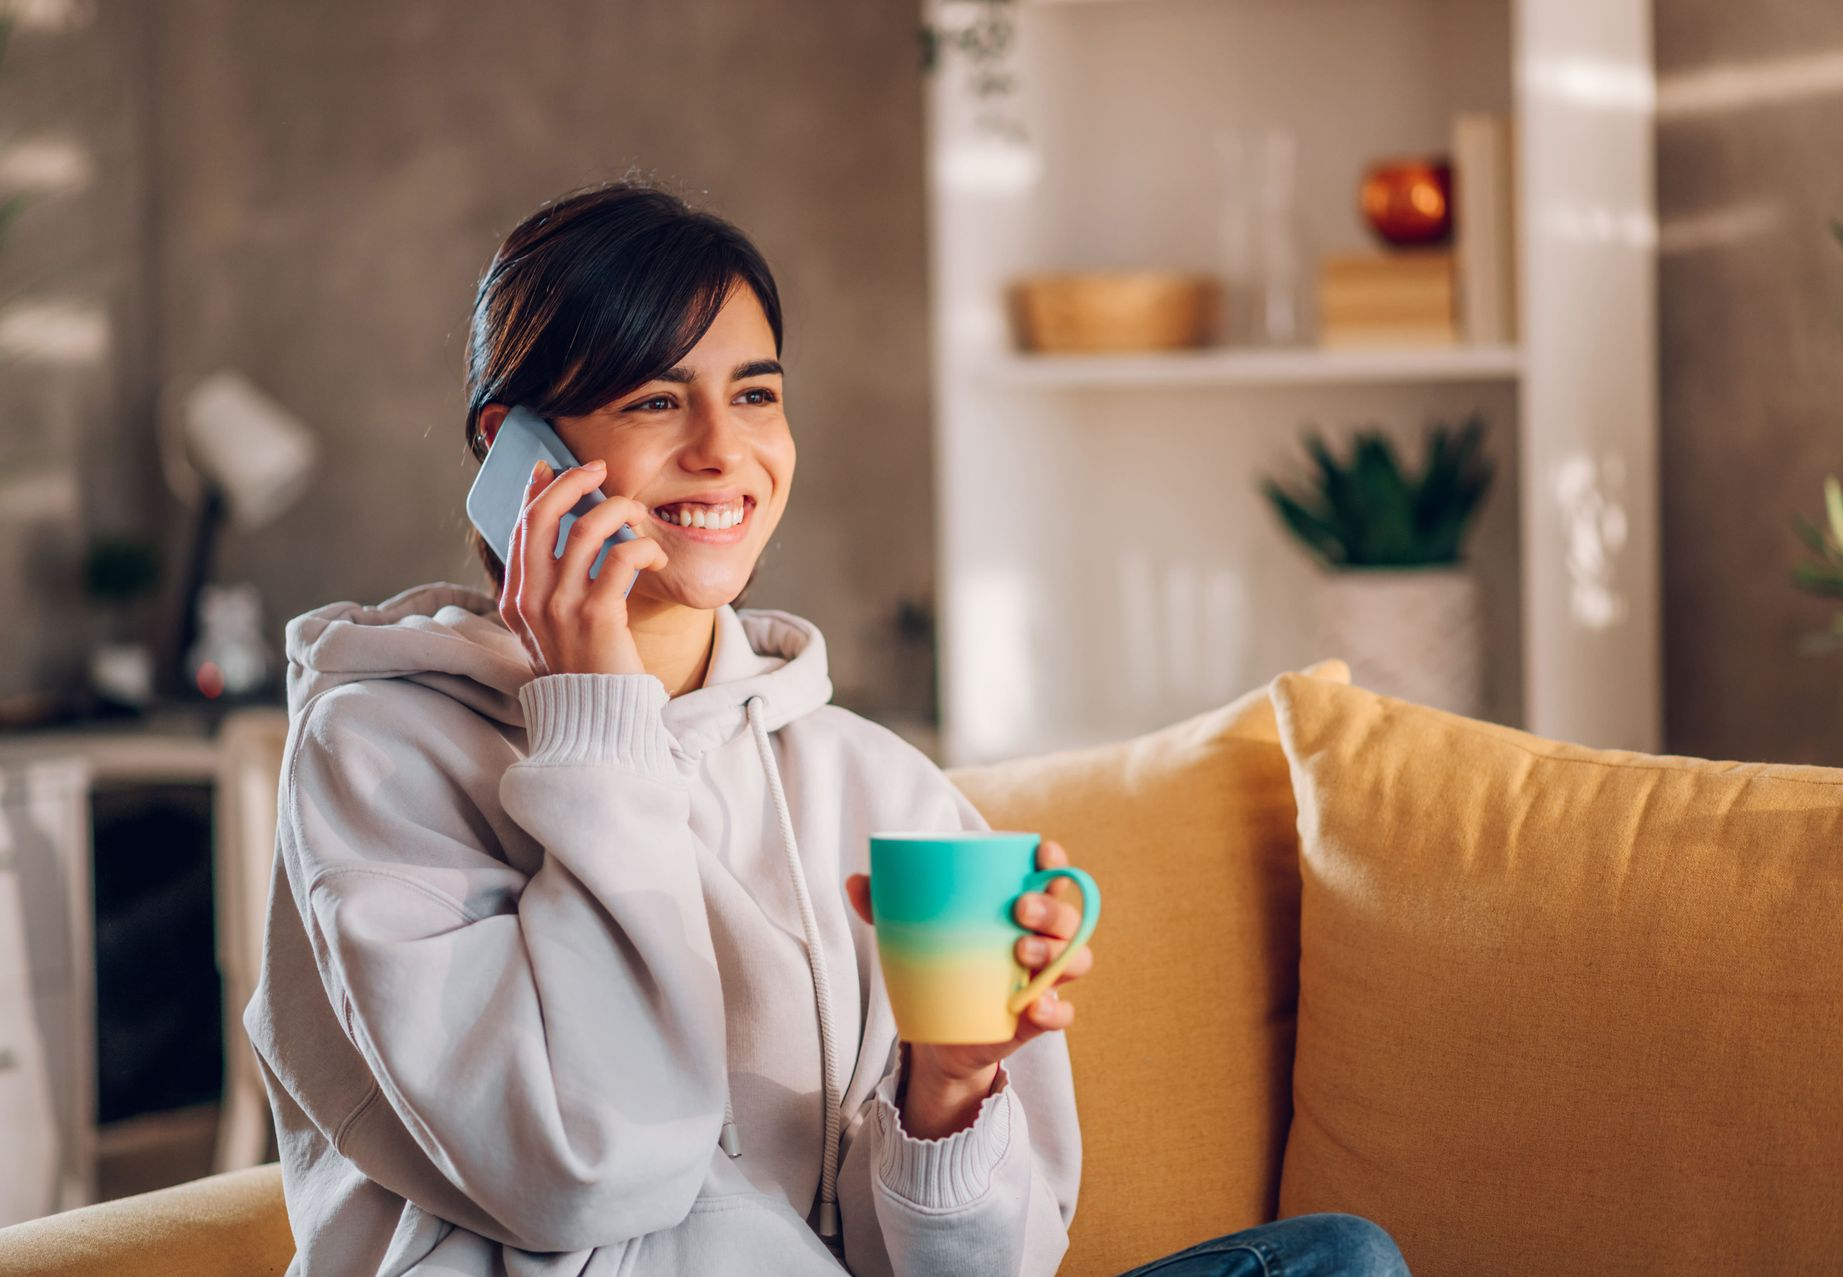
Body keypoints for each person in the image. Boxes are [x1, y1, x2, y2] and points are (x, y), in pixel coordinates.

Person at [244, 177, 1407, 1277]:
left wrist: (947, 1091)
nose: (721, 448)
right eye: (655, 398)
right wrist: (597, 714)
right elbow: (579, 1172)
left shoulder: (869, 784)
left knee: (1337, 1258)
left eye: (754, 392)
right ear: (513, 449)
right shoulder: (377, 754)